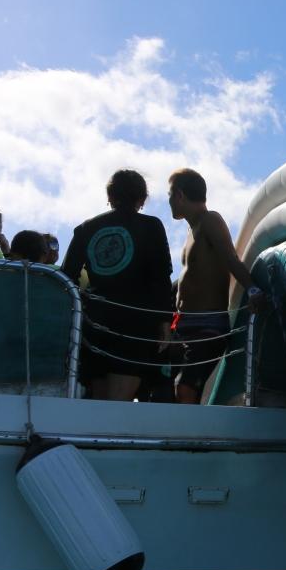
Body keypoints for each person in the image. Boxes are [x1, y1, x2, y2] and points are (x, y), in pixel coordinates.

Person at [62, 170, 173, 401]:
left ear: (110, 196)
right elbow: (160, 276)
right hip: (135, 323)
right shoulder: (151, 226)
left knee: (99, 402)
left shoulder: (86, 229)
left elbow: (67, 277)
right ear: (142, 198)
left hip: (95, 322)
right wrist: (164, 320)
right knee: (117, 403)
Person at [167, 168, 262, 404]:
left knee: (185, 388)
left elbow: (231, 258)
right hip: (183, 327)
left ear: (179, 194)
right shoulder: (191, 230)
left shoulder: (210, 220)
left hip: (207, 326)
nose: (168, 201)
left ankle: (188, 430)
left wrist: (252, 289)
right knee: (166, 389)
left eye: (169, 195)